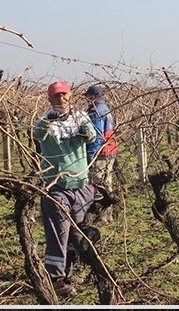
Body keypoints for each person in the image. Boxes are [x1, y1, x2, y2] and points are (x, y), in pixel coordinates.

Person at [32, 82, 97, 299]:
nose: (60, 99)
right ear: (49, 99)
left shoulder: (80, 118)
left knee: (76, 233)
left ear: (70, 95)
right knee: (58, 232)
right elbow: (37, 135)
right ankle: (55, 277)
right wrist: (51, 119)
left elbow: (94, 137)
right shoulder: (45, 120)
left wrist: (84, 127)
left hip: (81, 186)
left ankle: (67, 272)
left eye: (64, 95)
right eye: (56, 96)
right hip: (57, 187)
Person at [84, 85, 117, 225]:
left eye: (87, 96)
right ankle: (108, 215)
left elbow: (97, 135)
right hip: (110, 150)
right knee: (107, 181)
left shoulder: (95, 111)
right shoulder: (105, 109)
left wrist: (91, 155)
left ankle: (102, 217)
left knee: (98, 184)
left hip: (101, 152)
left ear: (92, 97)